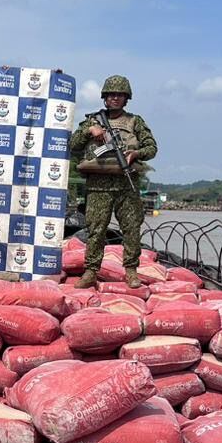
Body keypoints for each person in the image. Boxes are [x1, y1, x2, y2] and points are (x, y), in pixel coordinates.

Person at [69, 75, 157, 289]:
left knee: (131, 229)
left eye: (120, 95)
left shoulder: (135, 121)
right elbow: (73, 145)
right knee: (96, 230)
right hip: (98, 186)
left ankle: (131, 271)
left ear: (126, 98)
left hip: (126, 185)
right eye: (111, 95)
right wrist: (90, 131)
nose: (115, 98)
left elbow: (152, 148)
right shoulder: (92, 120)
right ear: (104, 98)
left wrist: (135, 153)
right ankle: (91, 271)